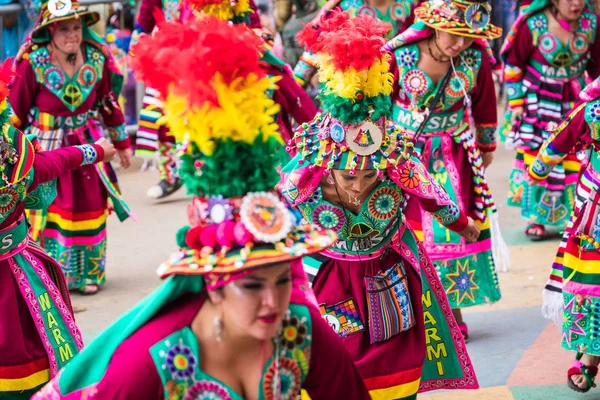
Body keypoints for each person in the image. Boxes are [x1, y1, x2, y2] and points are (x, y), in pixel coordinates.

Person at [32, 17, 371, 400]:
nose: (273, 302)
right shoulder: (149, 362)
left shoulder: (302, 331)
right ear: (213, 284)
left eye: (283, 279)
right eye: (251, 285)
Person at [279, 11, 479, 399]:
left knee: (396, 358)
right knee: (340, 359)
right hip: (330, 276)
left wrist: (461, 224)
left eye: (369, 177)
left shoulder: (397, 163)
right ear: (324, 169)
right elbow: (273, 213)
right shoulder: (303, 177)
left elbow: (431, 193)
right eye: (348, 177)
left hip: (388, 270)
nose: (358, 185)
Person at [382, 0, 507, 341]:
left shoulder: (475, 58)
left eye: (468, 37)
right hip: (403, 157)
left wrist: (485, 147)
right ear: (434, 25)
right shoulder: (400, 54)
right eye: (454, 34)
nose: (460, 44)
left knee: (453, 228)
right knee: (405, 231)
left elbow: (485, 106)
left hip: (453, 156)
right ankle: (407, 314)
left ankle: (453, 313)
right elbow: (381, 104)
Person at [0, 58, 118, 399]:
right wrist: (94, 150)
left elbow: (51, 162)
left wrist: (95, 149)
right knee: (33, 351)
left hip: (16, 260)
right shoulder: (15, 151)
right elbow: (50, 163)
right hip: (15, 268)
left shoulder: (94, 58)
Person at [9, 1, 134, 296]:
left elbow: (107, 102)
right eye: (63, 28)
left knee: (91, 205)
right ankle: (54, 274)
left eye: (77, 28)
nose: (72, 35)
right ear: (49, 31)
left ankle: (90, 272)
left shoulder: (95, 58)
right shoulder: (33, 63)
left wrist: (121, 142)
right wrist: (11, 152)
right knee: (52, 208)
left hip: (89, 143)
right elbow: (16, 112)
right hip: (47, 145)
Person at [501, 0, 600, 240]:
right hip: (538, 99)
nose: (576, 3)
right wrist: (516, 103)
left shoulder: (592, 21)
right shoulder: (531, 22)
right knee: (537, 154)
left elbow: (597, 63)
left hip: (576, 97)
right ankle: (537, 217)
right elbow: (513, 65)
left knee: (576, 155)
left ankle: (574, 214)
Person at [528, 78, 600, 393]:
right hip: (596, 209)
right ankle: (590, 358)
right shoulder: (592, 110)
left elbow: (556, 143)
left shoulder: (591, 109)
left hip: (594, 204)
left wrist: (538, 170)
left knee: (594, 280)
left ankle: (588, 359)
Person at [292, 0, 421, 88]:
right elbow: (315, 48)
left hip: (398, 88)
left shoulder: (409, 6)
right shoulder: (346, 7)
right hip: (352, 91)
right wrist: (294, 85)